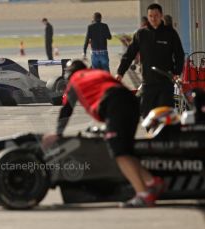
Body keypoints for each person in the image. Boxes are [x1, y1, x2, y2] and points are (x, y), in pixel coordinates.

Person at [42, 59, 165, 207]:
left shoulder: (75, 79)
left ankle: (144, 195)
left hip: (113, 103)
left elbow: (66, 109)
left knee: (119, 152)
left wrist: (58, 133)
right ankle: (151, 182)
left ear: (69, 74)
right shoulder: (97, 73)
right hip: (130, 102)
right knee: (125, 149)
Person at [116, 3, 185, 118]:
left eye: (156, 15)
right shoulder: (141, 34)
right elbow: (129, 54)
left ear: (161, 16)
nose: (153, 19)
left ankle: (164, 135)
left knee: (164, 115)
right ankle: (151, 134)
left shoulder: (170, 33)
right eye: (150, 16)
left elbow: (179, 54)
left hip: (166, 82)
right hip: (148, 83)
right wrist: (120, 72)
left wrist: (177, 72)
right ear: (148, 17)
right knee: (147, 115)